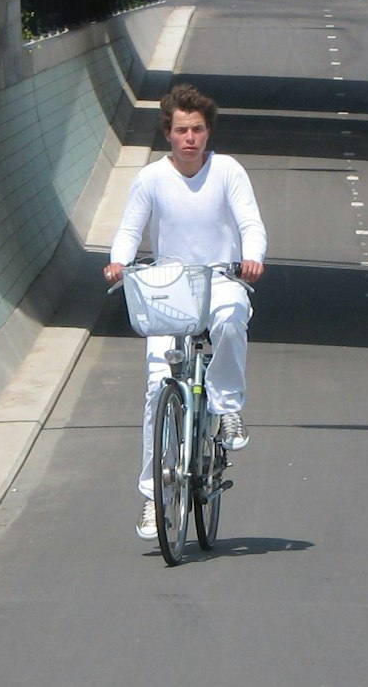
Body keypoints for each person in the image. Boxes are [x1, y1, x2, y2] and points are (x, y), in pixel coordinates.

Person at [105, 83, 266, 541]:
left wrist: (252, 257)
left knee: (233, 316)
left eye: (197, 129)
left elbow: (251, 222)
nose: (190, 138)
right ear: (168, 134)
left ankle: (227, 406)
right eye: (181, 130)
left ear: (208, 132)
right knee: (158, 387)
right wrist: (119, 262)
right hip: (168, 287)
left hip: (220, 279)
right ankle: (154, 497)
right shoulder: (151, 179)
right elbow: (129, 230)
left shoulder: (228, 172)